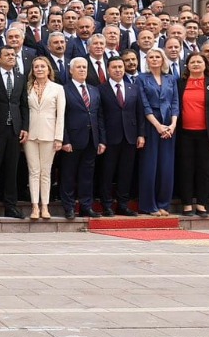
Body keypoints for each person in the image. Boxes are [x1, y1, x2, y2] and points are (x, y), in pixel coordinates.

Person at [174, 52, 209, 217]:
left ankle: (202, 204)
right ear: (187, 66)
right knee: (186, 169)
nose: (196, 64)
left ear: (205, 65)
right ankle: (187, 204)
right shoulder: (180, 83)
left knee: (205, 170)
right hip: (184, 134)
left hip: (206, 135)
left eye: (199, 62)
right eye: (193, 62)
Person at [57, 57, 105, 220]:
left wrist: (101, 140)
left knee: (87, 175)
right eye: (78, 67)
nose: (82, 70)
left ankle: (86, 206)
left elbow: (99, 116)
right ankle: (69, 207)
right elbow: (61, 117)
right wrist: (65, 140)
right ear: (71, 70)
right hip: (72, 140)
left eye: (84, 67)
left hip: (92, 139)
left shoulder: (94, 90)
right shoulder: (64, 90)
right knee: (68, 175)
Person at [0, 46, 28, 219]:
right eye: (7, 55)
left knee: (12, 169)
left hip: (14, 130)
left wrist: (25, 127)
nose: (11, 57)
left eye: (13, 55)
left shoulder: (20, 77)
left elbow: (23, 104)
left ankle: (11, 205)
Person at [136, 47, 179, 217]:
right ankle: (149, 205)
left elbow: (175, 102)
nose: (154, 59)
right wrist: (158, 125)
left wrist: (172, 125)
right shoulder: (141, 78)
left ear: (163, 60)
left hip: (169, 124)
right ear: (147, 60)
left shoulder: (171, 78)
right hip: (151, 124)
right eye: (151, 57)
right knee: (150, 165)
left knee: (166, 166)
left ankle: (163, 204)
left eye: (157, 57)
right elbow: (144, 104)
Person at [97, 55, 142, 216]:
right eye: (114, 67)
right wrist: (102, 139)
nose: (118, 70)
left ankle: (123, 204)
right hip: (110, 138)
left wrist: (141, 135)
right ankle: (107, 205)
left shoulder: (133, 88)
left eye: (120, 67)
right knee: (107, 173)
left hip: (130, 137)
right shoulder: (100, 89)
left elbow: (139, 113)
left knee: (126, 173)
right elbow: (99, 116)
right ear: (108, 70)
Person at [22, 57, 65, 220]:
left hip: (49, 134)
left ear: (48, 69)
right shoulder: (27, 87)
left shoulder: (57, 88)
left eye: (42, 66)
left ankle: (45, 206)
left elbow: (60, 115)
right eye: (36, 67)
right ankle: (35, 206)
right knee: (33, 171)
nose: (39, 69)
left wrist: (59, 138)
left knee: (46, 172)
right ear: (32, 70)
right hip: (31, 135)